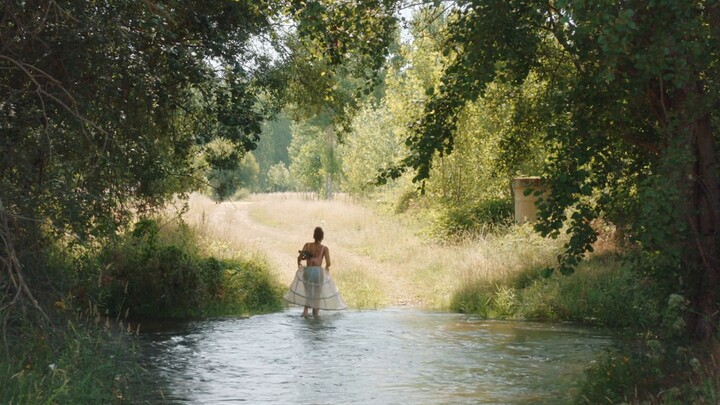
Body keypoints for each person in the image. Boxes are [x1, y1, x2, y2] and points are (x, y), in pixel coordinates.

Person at [284, 226, 347, 317]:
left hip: (308, 271)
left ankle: (305, 312)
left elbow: (299, 258)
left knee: (308, 294)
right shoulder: (324, 248)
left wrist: (299, 265)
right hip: (318, 273)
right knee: (317, 295)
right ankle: (315, 315)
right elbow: (328, 263)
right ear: (322, 237)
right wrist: (326, 268)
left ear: (314, 236)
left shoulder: (307, 245)